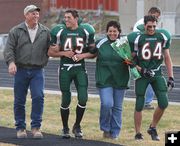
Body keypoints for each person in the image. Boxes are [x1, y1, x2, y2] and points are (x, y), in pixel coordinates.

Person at [3, 5, 50, 139]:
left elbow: (51, 48)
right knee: (19, 100)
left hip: (37, 70)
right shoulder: (16, 31)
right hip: (21, 70)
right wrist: (11, 62)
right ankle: (20, 128)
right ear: (26, 15)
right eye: (32, 13)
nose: (35, 16)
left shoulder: (45, 31)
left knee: (38, 97)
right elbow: (9, 49)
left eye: (37, 14)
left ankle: (36, 128)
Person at [48, 9, 95, 139]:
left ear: (75, 18)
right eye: (65, 17)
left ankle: (77, 125)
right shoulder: (60, 31)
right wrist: (64, 53)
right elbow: (50, 53)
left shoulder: (86, 31)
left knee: (83, 98)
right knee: (66, 99)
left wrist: (82, 55)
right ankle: (65, 128)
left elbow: (94, 52)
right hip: (65, 69)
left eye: (68, 17)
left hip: (80, 67)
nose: (66, 20)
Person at [128, 15, 174, 141]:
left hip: (157, 73)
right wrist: (141, 69)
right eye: (149, 26)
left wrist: (171, 76)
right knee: (139, 104)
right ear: (144, 25)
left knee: (164, 103)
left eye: (154, 26)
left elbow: (167, 57)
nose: (152, 28)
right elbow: (130, 60)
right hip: (142, 74)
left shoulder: (162, 36)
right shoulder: (137, 38)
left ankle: (152, 127)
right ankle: (138, 133)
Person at [94, 21, 130, 139]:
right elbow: (90, 53)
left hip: (120, 79)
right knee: (107, 104)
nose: (112, 33)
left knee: (117, 107)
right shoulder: (101, 43)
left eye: (115, 31)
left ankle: (115, 133)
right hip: (105, 79)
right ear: (107, 32)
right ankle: (105, 128)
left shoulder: (124, 44)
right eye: (110, 31)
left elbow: (132, 58)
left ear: (119, 32)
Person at [133, 7, 161, 110]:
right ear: (150, 14)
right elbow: (138, 38)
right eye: (156, 16)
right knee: (145, 77)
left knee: (150, 76)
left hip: (150, 55)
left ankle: (146, 102)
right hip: (143, 56)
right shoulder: (141, 23)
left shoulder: (152, 25)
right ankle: (144, 102)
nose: (156, 19)